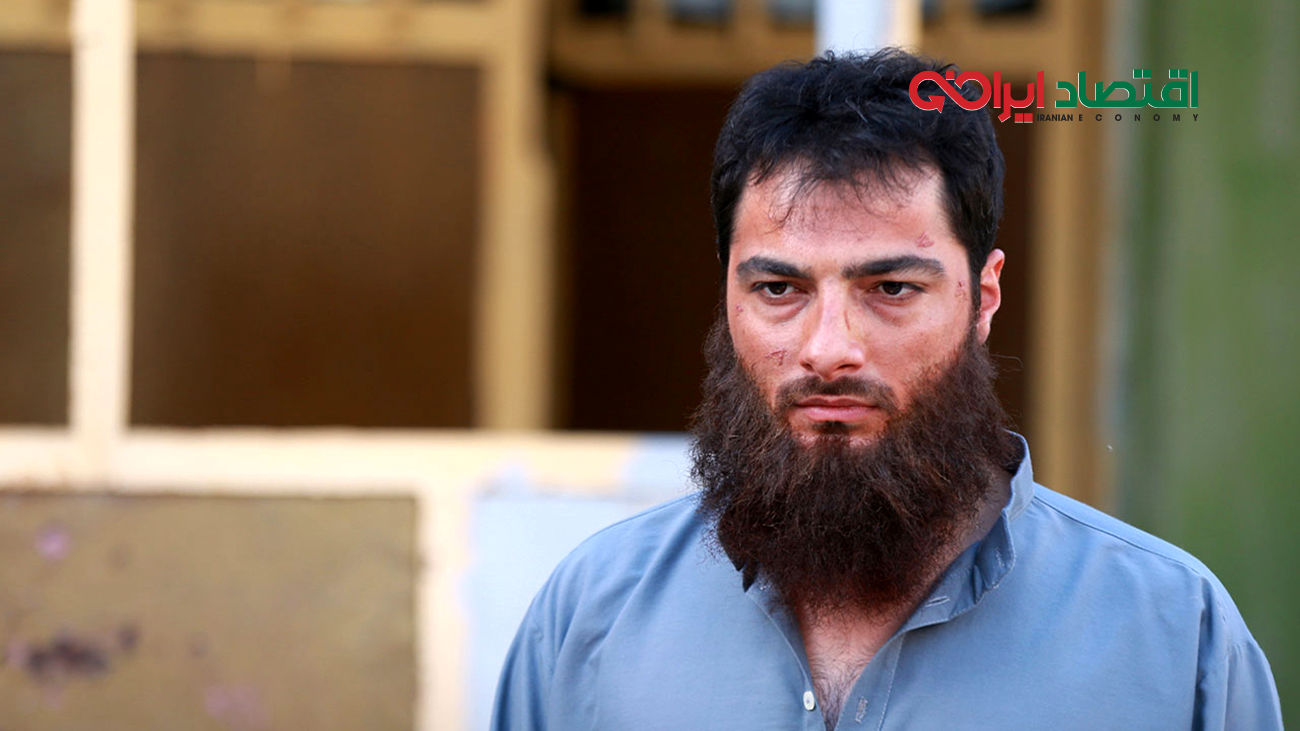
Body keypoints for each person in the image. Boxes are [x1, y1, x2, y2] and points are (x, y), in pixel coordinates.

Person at [490, 48, 1283, 730]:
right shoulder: (591, 619)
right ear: (727, 294)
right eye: (778, 289)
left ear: (985, 298)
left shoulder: (1174, 638)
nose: (828, 348)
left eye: (892, 288)